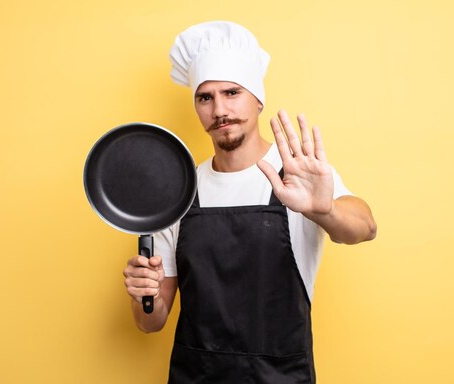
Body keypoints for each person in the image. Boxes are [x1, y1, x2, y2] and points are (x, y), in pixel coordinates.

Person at [123, 21, 376, 383]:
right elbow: (152, 322)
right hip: (195, 377)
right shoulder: (178, 192)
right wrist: (142, 296)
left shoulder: (299, 175)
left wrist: (325, 209)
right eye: (205, 97)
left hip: (282, 376)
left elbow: (366, 228)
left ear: (258, 99)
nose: (220, 110)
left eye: (232, 92)